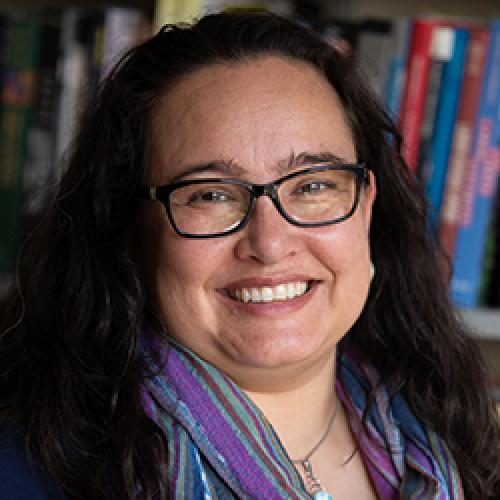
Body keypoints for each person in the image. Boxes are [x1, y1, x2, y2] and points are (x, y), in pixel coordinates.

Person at [0, 10, 499, 500]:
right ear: (130, 230)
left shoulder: (455, 440)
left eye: (314, 185)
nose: (270, 243)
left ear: (366, 208)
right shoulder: (27, 475)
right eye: (211, 194)